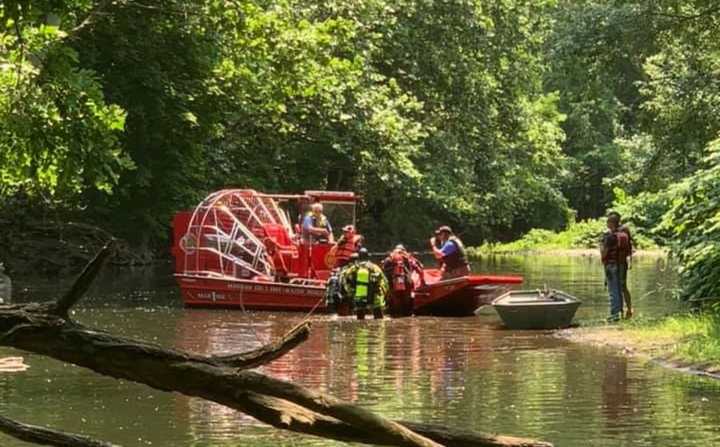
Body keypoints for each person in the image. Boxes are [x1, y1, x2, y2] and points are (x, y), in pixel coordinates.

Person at [600, 212, 633, 321]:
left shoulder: (610, 236)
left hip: (612, 265)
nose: (606, 223)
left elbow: (604, 253)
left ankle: (615, 314)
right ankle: (628, 309)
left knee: (613, 290)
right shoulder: (624, 234)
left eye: (607, 221)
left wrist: (601, 246)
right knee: (623, 287)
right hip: (622, 264)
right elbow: (629, 250)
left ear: (611, 223)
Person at [341, 248, 388, 320]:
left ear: (359, 257)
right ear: (367, 256)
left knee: (360, 319)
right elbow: (384, 281)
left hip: (359, 296)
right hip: (374, 296)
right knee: (379, 318)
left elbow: (344, 278)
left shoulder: (354, 268)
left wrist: (350, 291)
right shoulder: (374, 267)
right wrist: (384, 293)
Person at [382, 244, 425, 316]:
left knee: (396, 301)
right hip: (407, 282)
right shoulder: (409, 258)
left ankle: (395, 313)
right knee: (407, 300)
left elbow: (384, 271)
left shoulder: (389, 258)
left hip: (394, 282)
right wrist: (423, 281)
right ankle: (408, 314)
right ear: (404, 250)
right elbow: (420, 269)